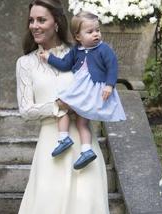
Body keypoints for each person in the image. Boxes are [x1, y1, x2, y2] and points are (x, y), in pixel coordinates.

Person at [12, 0, 112, 214]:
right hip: (51, 147)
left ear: (56, 22)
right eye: (31, 20)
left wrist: (87, 99)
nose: (34, 25)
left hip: (84, 146)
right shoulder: (26, 64)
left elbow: (99, 90)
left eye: (41, 20)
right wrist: (59, 106)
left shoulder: (82, 53)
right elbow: (25, 110)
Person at [38, 11, 126, 170]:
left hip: (91, 89)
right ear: (78, 37)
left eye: (97, 30)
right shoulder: (75, 51)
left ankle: (64, 138)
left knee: (61, 104)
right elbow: (65, 64)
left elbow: (112, 67)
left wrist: (109, 85)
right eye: (90, 32)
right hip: (80, 89)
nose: (96, 34)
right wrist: (49, 58)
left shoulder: (104, 49)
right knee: (80, 120)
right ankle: (86, 149)